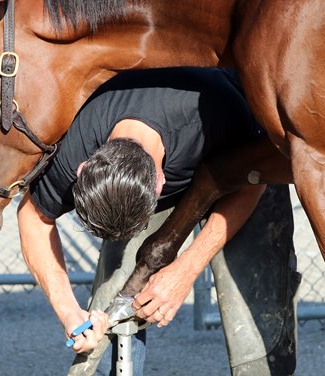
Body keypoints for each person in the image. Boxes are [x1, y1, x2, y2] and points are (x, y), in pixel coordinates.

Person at [18, 67, 300, 376]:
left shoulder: (217, 112)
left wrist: (186, 269)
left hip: (241, 162)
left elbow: (255, 178)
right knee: (117, 289)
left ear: (160, 183)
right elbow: (33, 216)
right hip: (154, 156)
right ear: (84, 168)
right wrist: (69, 313)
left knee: (254, 301)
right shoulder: (76, 147)